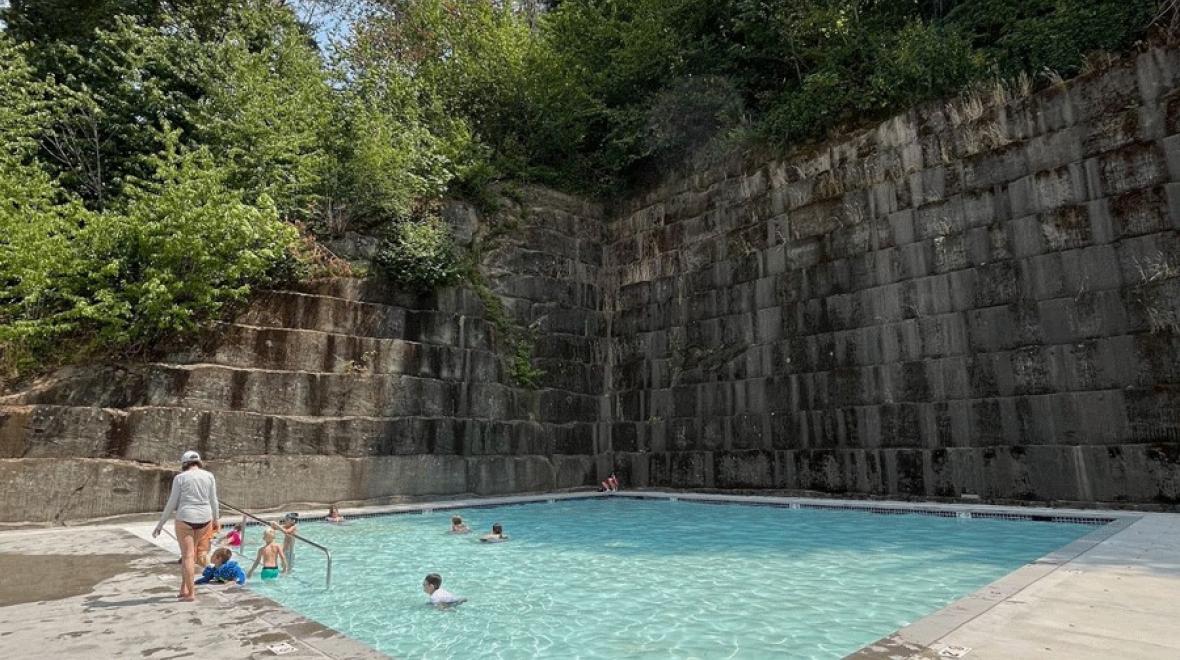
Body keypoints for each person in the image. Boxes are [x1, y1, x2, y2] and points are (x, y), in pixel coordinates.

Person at [153, 450, 219, 602]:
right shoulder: (209, 476)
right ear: (199, 462)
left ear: (184, 463)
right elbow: (213, 500)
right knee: (191, 556)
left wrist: (161, 523)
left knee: (187, 556)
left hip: (186, 518)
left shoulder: (180, 478)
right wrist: (216, 518)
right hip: (205, 518)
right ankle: (184, 588)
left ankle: (191, 594)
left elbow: (172, 503)